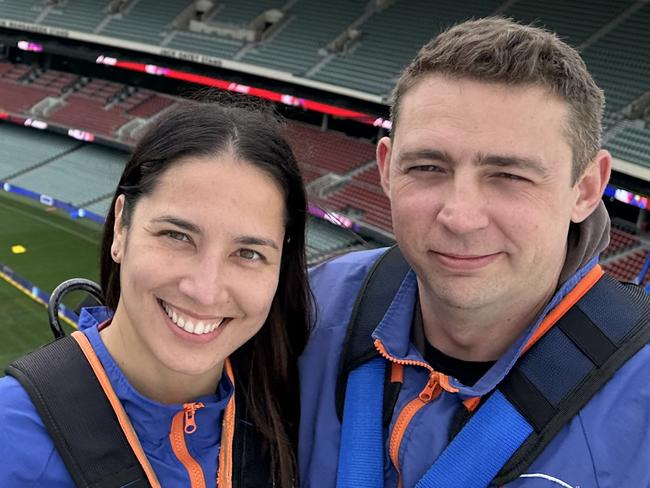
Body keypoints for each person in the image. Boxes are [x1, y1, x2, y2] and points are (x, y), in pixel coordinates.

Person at [299, 17, 650, 488]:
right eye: (427, 166)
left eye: (510, 176)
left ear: (586, 189)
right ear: (386, 169)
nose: (460, 217)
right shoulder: (310, 309)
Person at [0, 100, 311, 487]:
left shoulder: (302, 426)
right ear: (120, 228)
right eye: (177, 236)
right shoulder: (9, 435)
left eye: (248, 253)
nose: (205, 290)